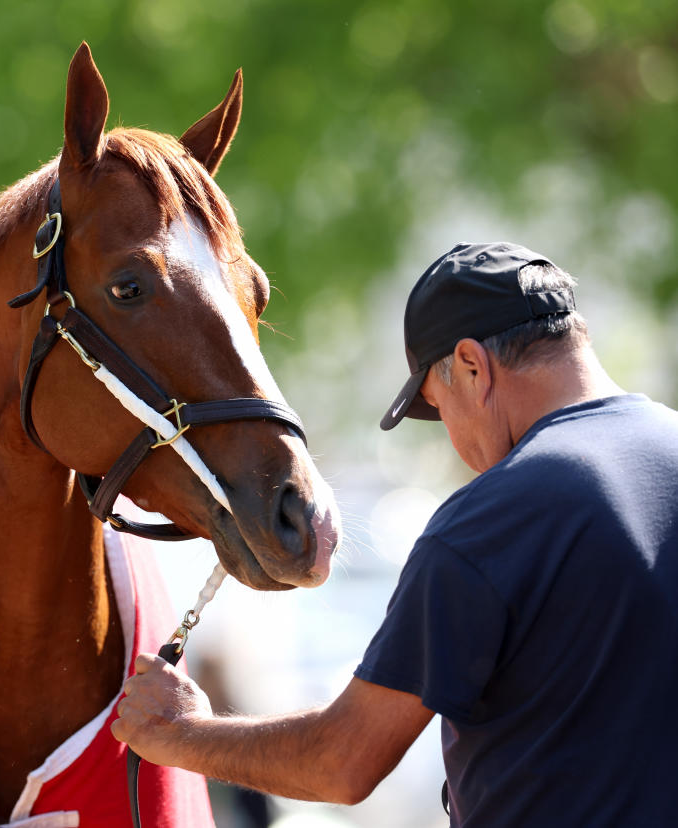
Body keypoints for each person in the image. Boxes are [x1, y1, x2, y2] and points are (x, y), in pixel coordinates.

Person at [112, 242, 678, 826]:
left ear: (472, 367)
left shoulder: (492, 520)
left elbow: (342, 761)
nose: (456, 443)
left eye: (439, 406)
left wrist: (180, 732)